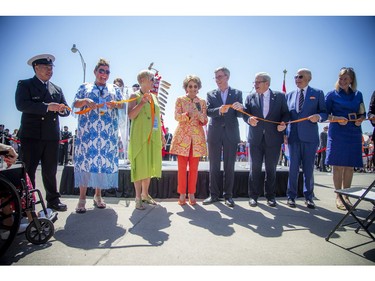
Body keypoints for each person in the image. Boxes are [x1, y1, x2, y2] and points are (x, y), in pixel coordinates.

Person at [15, 54, 70, 211]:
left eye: (51, 67)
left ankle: (53, 200)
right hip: (32, 136)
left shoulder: (56, 89)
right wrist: (47, 107)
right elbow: (21, 105)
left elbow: (65, 108)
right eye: (46, 67)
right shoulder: (25, 85)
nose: (49, 70)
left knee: (50, 171)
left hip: (51, 136)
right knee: (29, 171)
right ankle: (28, 203)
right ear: (36, 68)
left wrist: (62, 110)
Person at [72, 58, 124, 213]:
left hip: (106, 135)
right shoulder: (85, 87)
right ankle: (82, 199)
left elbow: (122, 104)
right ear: (95, 72)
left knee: (101, 165)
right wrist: (85, 101)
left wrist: (116, 104)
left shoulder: (114, 88)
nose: (104, 74)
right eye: (101, 71)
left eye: (107, 71)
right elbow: (75, 103)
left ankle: (98, 196)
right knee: (85, 164)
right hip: (87, 133)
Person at [243, 72, 290, 207]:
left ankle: (270, 196)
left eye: (258, 82)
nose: (255, 85)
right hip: (255, 139)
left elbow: (286, 113)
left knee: (271, 169)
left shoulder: (280, 97)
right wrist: (248, 119)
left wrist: (283, 123)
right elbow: (245, 113)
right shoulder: (250, 97)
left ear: (267, 84)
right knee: (255, 168)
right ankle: (253, 196)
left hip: (274, 138)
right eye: (255, 82)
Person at [285, 68, 327, 209]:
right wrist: (285, 133)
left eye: (300, 76)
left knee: (308, 169)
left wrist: (319, 117)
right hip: (293, 137)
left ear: (308, 78)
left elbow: (324, 112)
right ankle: (291, 197)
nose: (297, 78)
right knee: (293, 169)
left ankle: (309, 197)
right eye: (295, 76)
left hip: (310, 138)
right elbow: (286, 116)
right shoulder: (289, 95)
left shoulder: (317, 93)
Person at [325, 67, 366, 210]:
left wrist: (361, 119)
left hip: (353, 131)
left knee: (349, 166)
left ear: (351, 80)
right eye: (340, 78)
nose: (342, 81)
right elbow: (324, 114)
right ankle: (338, 196)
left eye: (345, 79)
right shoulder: (332, 94)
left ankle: (346, 196)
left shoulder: (358, 94)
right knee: (338, 165)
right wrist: (336, 118)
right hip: (337, 132)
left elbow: (363, 113)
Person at [203, 67, 243, 208]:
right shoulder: (210, 94)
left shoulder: (237, 93)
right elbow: (208, 111)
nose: (217, 80)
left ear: (227, 77)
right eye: (215, 77)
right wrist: (219, 110)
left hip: (231, 134)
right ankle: (213, 195)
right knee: (213, 165)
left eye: (219, 76)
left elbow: (239, 115)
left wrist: (241, 108)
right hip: (215, 133)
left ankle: (228, 196)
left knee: (229, 166)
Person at [128, 70, 165, 210]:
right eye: (151, 79)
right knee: (139, 167)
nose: (153, 82)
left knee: (149, 166)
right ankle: (137, 198)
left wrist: (161, 134)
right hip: (139, 137)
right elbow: (131, 115)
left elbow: (157, 118)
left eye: (154, 79)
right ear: (142, 79)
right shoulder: (134, 95)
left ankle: (145, 194)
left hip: (153, 137)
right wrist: (142, 103)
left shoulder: (154, 98)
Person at [170, 75, 208, 206]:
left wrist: (199, 115)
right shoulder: (180, 100)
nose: (192, 89)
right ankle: (181, 194)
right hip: (183, 138)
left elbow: (205, 120)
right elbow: (176, 116)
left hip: (197, 139)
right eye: (190, 86)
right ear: (186, 87)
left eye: (195, 86)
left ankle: (192, 193)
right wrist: (187, 115)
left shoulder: (202, 102)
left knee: (194, 168)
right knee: (181, 167)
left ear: (198, 88)